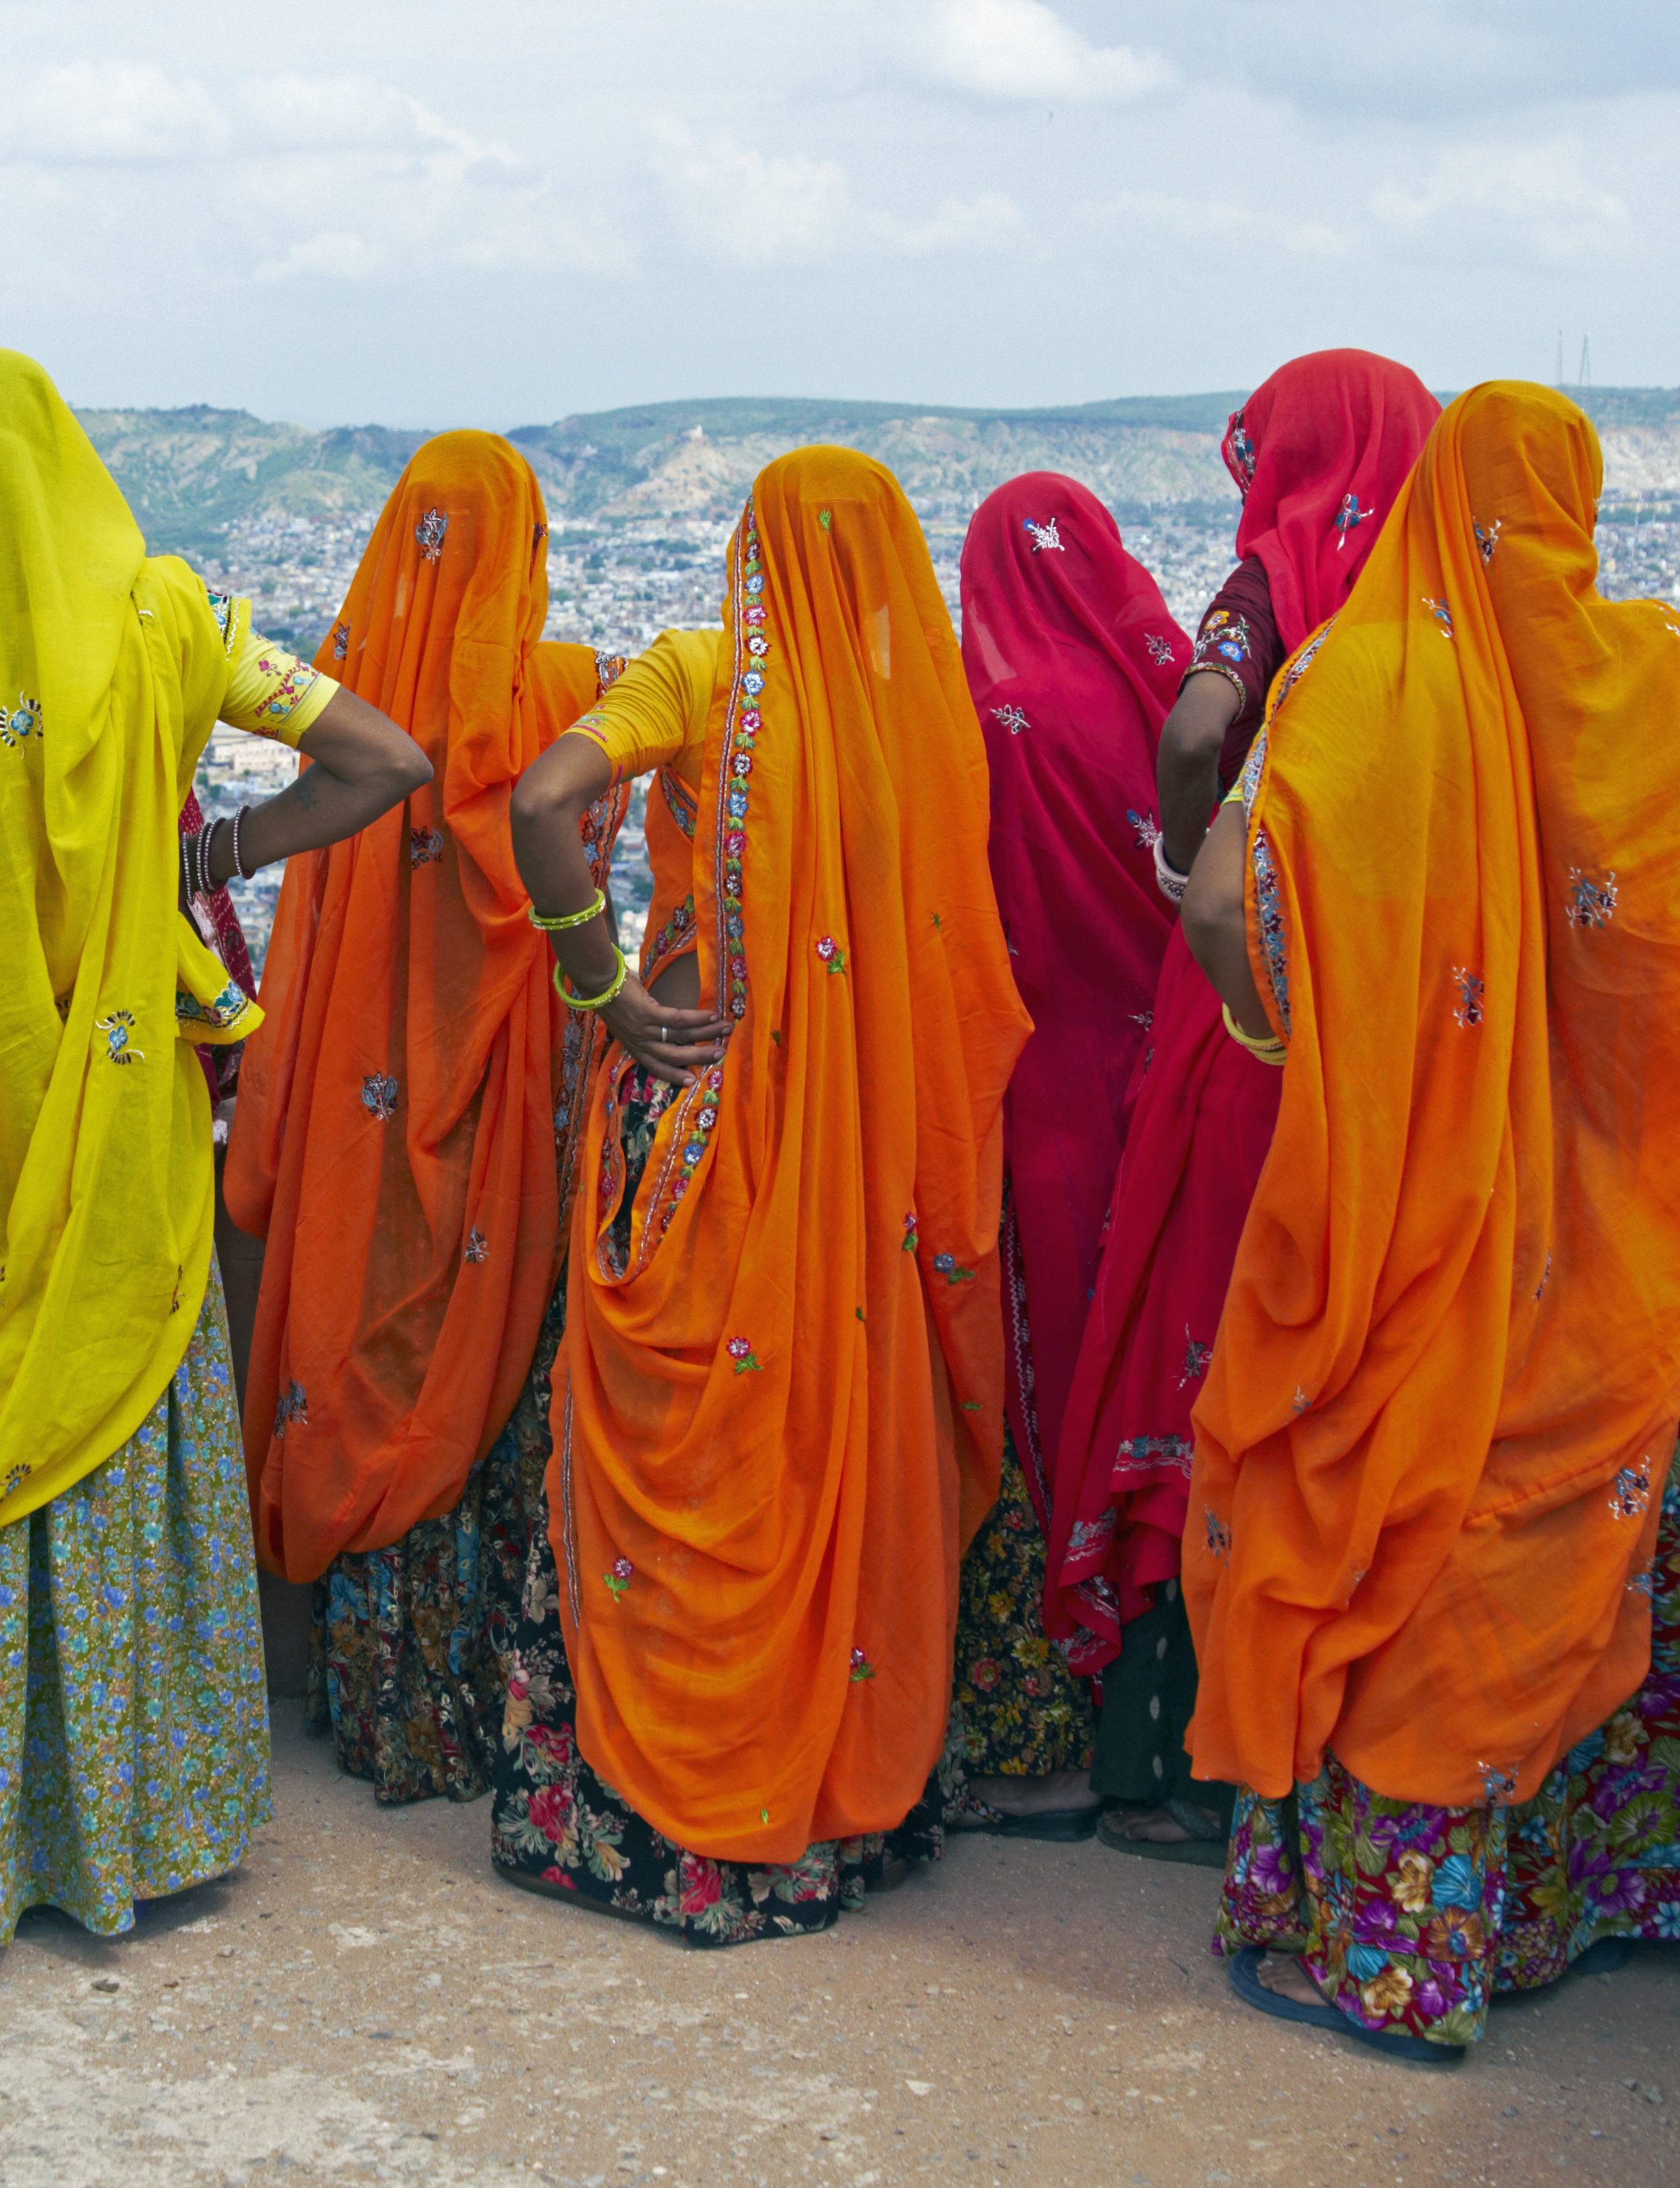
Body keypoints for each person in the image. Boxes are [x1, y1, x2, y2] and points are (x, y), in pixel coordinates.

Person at [1179, 380, 1680, 2063]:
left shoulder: (1351, 679)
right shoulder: (1674, 683)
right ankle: (1601, 1895)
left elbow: (1220, 899)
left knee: (1407, 1547)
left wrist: (1304, 1042)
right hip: (1624, 1227)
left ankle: (1393, 1942)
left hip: (1425, 1223)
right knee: (1594, 1534)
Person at [0, 349, 432, 1956]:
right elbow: (384, 762)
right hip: (106, 1127)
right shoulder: (159, 617)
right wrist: (204, 849)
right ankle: (125, 1818)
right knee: (101, 1421)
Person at [495, 446, 1028, 1943]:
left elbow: (545, 797)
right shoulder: (917, 717)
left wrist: (598, 980)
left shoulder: (698, 669)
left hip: (700, 1129)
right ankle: (813, 1816)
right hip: (856, 1161)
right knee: (816, 1449)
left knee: (677, 1454)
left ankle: (642, 1819)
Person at [1046, 350, 1440, 1863]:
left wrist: (1194, 867)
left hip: (1259, 1030)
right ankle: (1311, 1750)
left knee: (1203, 1356)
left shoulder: (1273, 583)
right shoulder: (1444, 584)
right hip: (1400, 1037)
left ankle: (1177, 1746)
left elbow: (1195, 723)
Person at [224, 432, 624, 1805]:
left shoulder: (346, 698)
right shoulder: (567, 694)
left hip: (355, 1098)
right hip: (505, 1106)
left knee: (354, 1343)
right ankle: (474, 1712)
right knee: (484, 1368)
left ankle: (372, 1696)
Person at [941, 475, 1191, 1838]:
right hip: (1169, 1090)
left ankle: (1047, 1715)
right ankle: (1158, 1749)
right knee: (1156, 1388)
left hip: (1028, 1093)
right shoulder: (1174, 705)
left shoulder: (981, 725)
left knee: (1036, 1391)